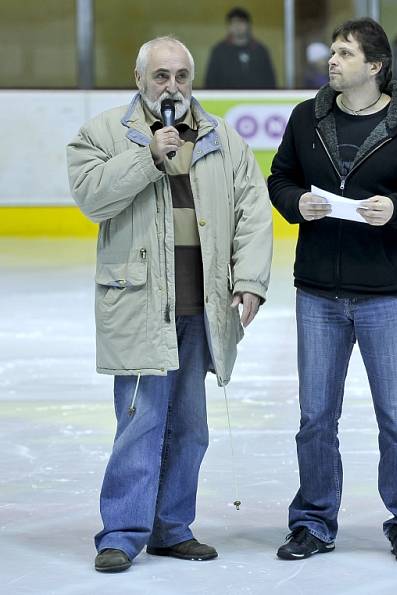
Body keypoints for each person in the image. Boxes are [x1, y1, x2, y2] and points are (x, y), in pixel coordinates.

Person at [66, 36, 273, 573]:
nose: (172, 87)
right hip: (139, 304)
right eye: (161, 76)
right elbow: (91, 197)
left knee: (190, 427)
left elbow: (252, 207)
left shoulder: (221, 137)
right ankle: (121, 532)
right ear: (140, 80)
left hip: (201, 308)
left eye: (181, 75)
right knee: (140, 422)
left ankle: (172, 528)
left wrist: (249, 278)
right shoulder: (105, 133)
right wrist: (148, 158)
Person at [268, 17, 397, 564]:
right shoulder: (307, 119)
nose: (332, 60)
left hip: (387, 294)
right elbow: (280, 179)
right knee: (315, 417)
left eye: (345, 53)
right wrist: (294, 202)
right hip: (318, 291)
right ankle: (313, 520)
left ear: (375, 67)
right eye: (332, 51)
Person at [205, 6, 277, 89]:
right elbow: (210, 81)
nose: (237, 26)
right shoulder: (219, 51)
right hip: (226, 100)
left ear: (248, 25)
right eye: (233, 23)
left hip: (256, 100)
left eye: (241, 22)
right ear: (229, 27)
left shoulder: (260, 51)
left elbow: (270, 80)